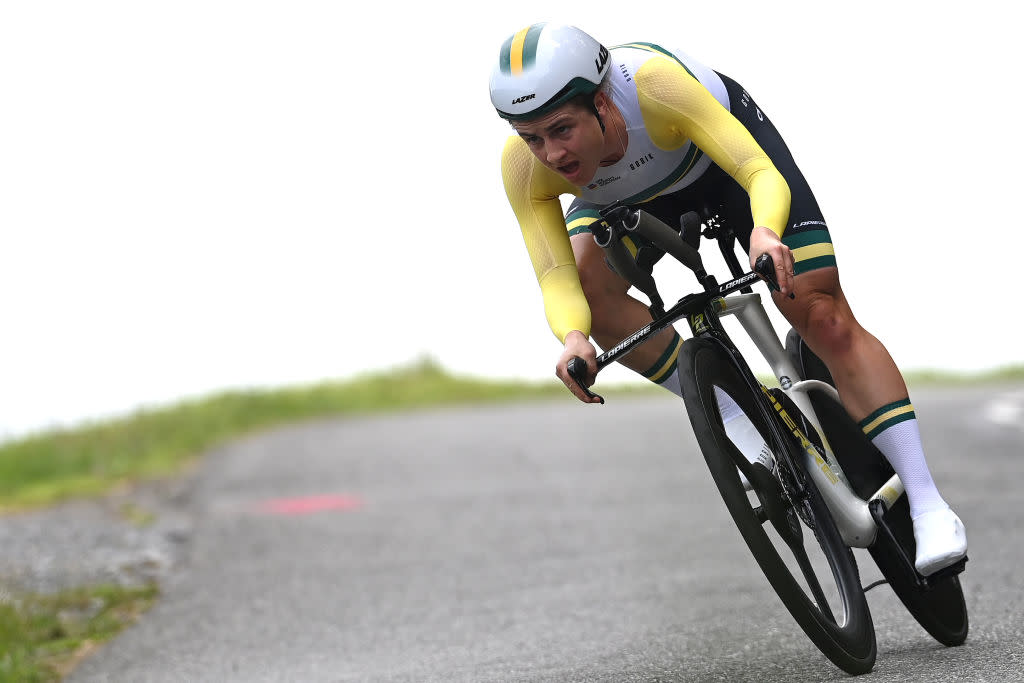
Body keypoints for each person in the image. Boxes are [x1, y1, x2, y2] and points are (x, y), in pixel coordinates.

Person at [489, 23, 966, 576]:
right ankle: (741, 420)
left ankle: (929, 504)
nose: (551, 153)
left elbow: (757, 170)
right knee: (592, 299)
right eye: (532, 138)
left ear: (601, 101)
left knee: (821, 315)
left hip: (721, 168)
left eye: (561, 129)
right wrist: (573, 336)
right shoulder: (524, 166)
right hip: (626, 199)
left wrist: (765, 232)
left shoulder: (656, 89)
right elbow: (554, 274)